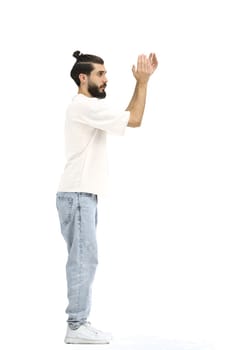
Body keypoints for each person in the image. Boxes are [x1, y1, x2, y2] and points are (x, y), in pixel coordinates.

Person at [56, 50, 158, 344]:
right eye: (100, 74)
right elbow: (135, 119)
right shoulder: (83, 107)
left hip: (80, 194)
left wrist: (141, 83)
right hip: (77, 194)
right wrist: (143, 82)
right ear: (83, 77)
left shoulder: (87, 109)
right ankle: (76, 326)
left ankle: (78, 323)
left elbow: (126, 118)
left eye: (105, 73)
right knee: (83, 259)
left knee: (84, 258)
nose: (106, 79)